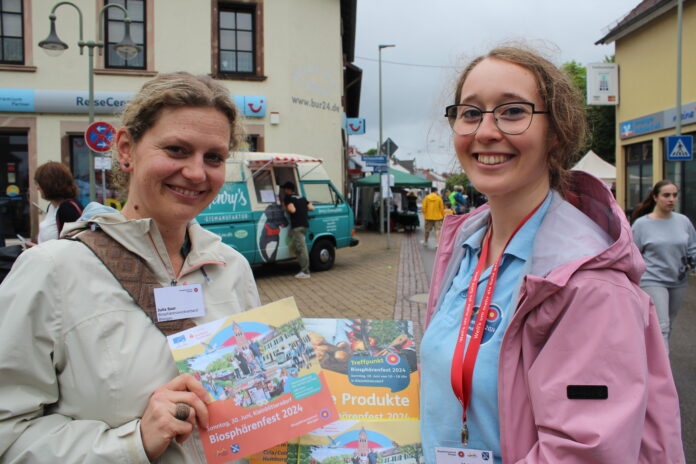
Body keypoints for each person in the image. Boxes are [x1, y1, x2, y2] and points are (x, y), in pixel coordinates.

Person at [420, 46, 684, 463]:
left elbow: (585, 454)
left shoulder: (591, 286)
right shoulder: (466, 248)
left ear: (555, 133)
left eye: (511, 112)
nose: (485, 131)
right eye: (471, 113)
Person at [0, 72, 261, 463]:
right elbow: (9, 434)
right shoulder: (51, 270)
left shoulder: (232, 267)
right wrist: (133, 442)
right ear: (126, 149)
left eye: (214, 158)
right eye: (176, 149)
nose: (196, 172)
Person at [631, 179, 696, 353]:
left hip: (678, 280)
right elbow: (632, 254)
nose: (671, 199)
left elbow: (693, 248)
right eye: (666, 195)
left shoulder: (683, 222)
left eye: (675, 195)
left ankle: (650, 358)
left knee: (668, 323)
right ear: (655, 197)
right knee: (662, 326)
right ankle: (661, 376)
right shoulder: (642, 225)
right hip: (652, 279)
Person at [33, 161, 83, 243]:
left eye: (39, 183)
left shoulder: (67, 208)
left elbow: (71, 243)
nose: (37, 188)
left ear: (50, 184)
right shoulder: (52, 206)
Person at [281, 180, 314, 278]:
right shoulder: (301, 197)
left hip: (297, 226)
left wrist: (285, 208)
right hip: (305, 225)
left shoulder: (288, 198)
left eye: (284, 189)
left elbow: (292, 209)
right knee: (298, 247)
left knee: (301, 248)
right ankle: (304, 269)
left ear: (288, 190)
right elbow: (312, 208)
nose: (283, 191)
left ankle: (305, 271)